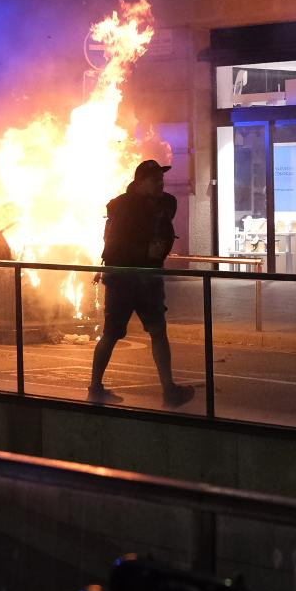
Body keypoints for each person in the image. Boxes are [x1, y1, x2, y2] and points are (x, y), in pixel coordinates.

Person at [88, 159, 194, 406]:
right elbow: (116, 246)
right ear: (139, 183)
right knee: (112, 333)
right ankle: (95, 386)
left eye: (161, 179)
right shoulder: (124, 208)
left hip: (148, 278)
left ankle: (169, 389)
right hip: (124, 279)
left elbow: (167, 213)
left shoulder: (163, 204)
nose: (160, 183)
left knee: (158, 331)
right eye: (154, 180)